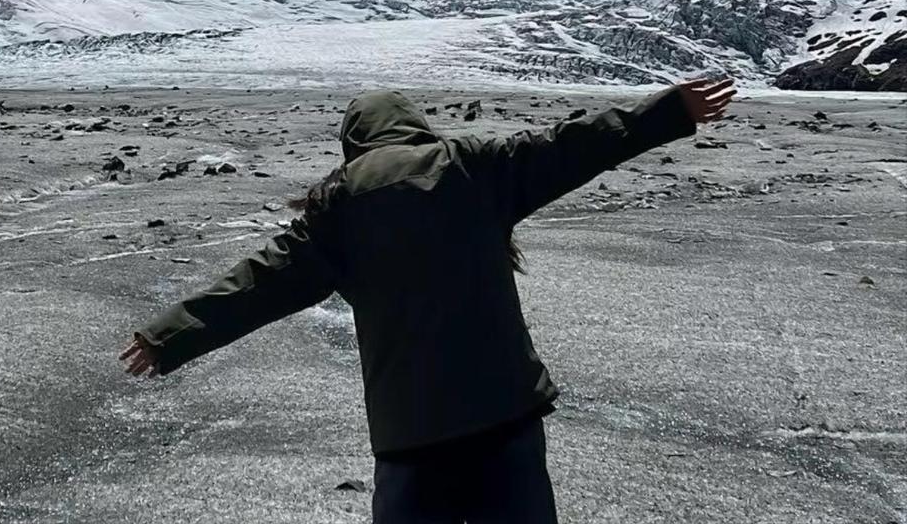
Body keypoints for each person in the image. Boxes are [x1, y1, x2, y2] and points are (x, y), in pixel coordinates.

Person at [121, 78, 736, 522]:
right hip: (505, 411)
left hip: (410, 433)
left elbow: (259, 283)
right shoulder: (472, 166)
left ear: (353, 142)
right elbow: (570, 146)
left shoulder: (338, 207)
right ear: (413, 123)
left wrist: (169, 335)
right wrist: (666, 114)